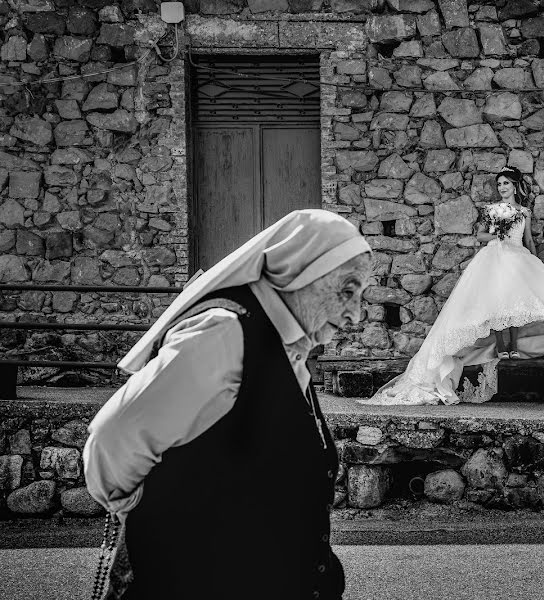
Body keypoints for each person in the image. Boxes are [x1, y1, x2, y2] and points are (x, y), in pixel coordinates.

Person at [83, 210, 373, 600]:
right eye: (348, 290)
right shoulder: (224, 334)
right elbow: (112, 438)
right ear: (301, 271)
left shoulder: (289, 348)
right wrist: (148, 516)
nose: (355, 314)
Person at [361, 166, 544, 406]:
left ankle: (514, 348)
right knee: (496, 305)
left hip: (519, 259)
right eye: (499, 184)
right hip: (494, 258)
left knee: (515, 305)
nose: (502, 188)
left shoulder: (524, 212)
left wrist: (536, 261)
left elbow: (528, 240)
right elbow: (480, 236)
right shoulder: (491, 210)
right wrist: (497, 235)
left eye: (506, 183)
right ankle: (502, 348)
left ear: (515, 185)